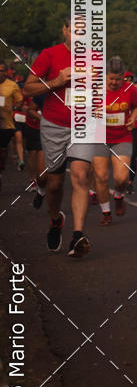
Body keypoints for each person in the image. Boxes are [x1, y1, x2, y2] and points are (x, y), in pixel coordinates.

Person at [23, 17, 95, 257]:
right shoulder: (49, 55)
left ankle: (77, 235)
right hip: (54, 125)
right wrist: (56, 81)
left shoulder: (95, 57)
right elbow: (28, 88)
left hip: (83, 126)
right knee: (54, 185)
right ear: (64, 30)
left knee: (81, 176)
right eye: (74, 30)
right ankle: (56, 220)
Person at [92, 57, 137, 224]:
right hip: (99, 137)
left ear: (123, 77)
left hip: (122, 137)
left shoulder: (130, 89)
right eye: (111, 79)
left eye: (118, 79)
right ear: (105, 76)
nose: (114, 82)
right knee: (101, 176)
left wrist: (133, 118)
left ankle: (119, 195)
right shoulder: (95, 89)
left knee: (121, 178)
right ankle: (106, 212)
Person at [0, 60, 24, 189]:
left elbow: (20, 101)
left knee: (3, 152)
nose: (0, 73)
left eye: (2, 71)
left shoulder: (12, 85)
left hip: (6, 124)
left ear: (6, 72)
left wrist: (14, 107)